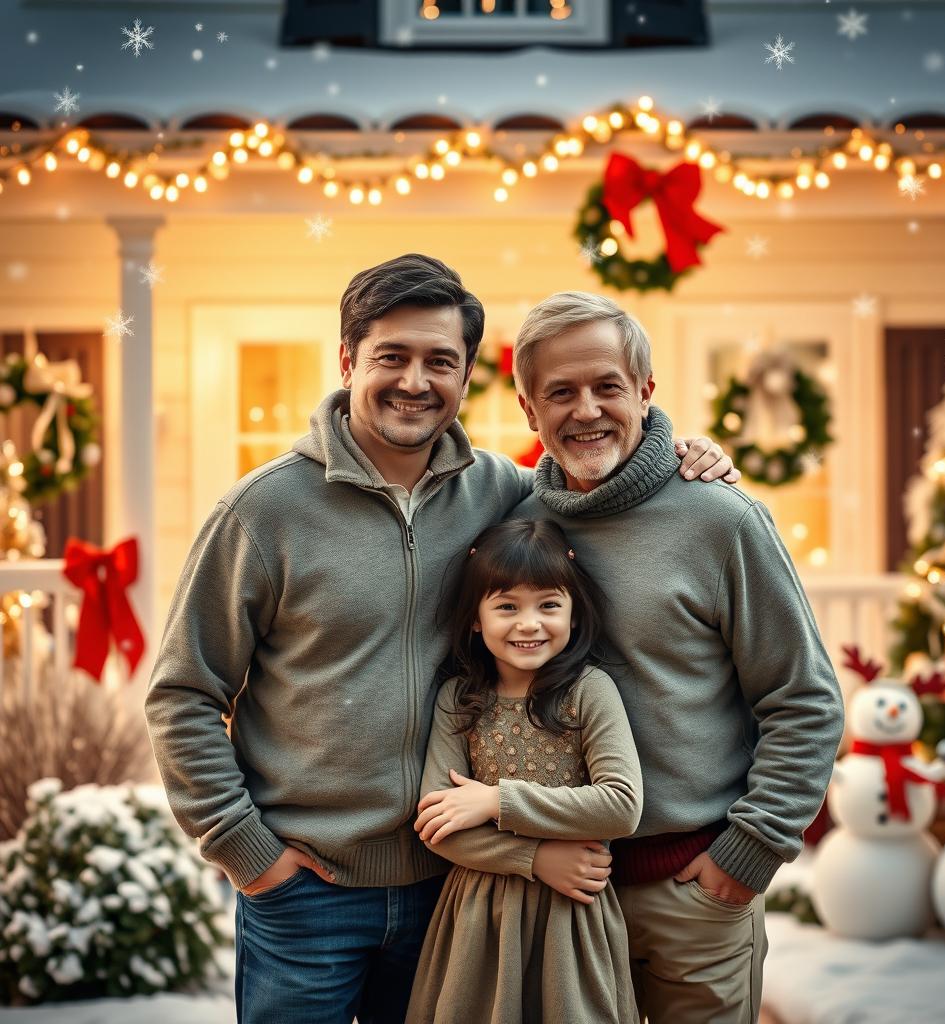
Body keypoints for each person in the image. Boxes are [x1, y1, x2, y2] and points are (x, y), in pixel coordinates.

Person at [145, 255, 738, 1024]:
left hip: (450, 889)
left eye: (441, 362)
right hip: (307, 894)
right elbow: (184, 695)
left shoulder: (503, 492)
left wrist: (682, 454)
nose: (415, 382)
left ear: (467, 379)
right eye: (392, 356)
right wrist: (250, 856)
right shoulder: (262, 514)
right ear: (349, 360)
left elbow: (599, 468)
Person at [489, 291, 844, 1024]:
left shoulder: (722, 520)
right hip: (558, 894)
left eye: (607, 386)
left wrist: (746, 857)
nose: (586, 409)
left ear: (646, 392)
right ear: (529, 411)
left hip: (695, 889)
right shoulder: (518, 528)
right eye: (561, 392)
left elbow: (804, 700)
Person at [406, 519, 643, 1024]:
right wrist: (536, 858)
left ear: (574, 614)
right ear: (475, 618)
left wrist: (496, 802)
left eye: (549, 605)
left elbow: (621, 806)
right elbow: (437, 828)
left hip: (571, 919)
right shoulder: (458, 699)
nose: (529, 623)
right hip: (477, 922)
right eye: (507, 606)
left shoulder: (589, 691)